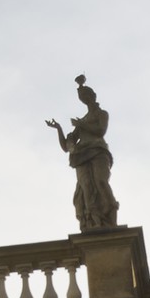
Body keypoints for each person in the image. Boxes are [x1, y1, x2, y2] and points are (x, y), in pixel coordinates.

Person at [46, 74, 119, 231]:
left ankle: (109, 215)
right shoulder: (83, 120)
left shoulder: (101, 114)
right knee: (85, 188)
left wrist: (81, 125)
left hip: (98, 151)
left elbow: (100, 131)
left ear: (92, 96)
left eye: (86, 95)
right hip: (81, 156)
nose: (84, 98)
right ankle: (93, 221)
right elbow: (66, 146)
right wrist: (59, 129)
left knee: (100, 181)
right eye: (82, 97)